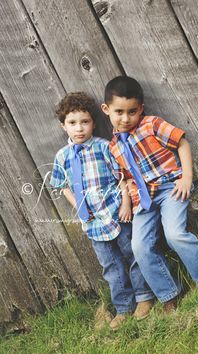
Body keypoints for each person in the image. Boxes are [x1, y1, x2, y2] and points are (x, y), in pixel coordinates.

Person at [101, 76, 198, 312]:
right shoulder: (112, 147)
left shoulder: (151, 124)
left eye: (132, 111)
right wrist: (126, 203)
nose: (126, 118)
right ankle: (169, 293)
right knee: (140, 247)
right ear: (106, 109)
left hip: (169, 189)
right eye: (119, 112)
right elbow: (124, 177)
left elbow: (182, 143)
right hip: (142, 202)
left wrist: (186, 177)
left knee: (175, 234)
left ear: (141, 109)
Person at [50, 92, 154, 330]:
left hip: (118, 213)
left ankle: (144, 297)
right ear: (63, 126)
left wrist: (126, 203)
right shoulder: (62, 156)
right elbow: (61, 185)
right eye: (72, 123)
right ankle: (124, 307)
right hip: (93, 222)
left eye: (85, 122)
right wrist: (79, 206)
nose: (79, 128)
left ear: (93, 123)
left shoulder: (104, 147)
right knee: (111, 265)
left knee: (132, 254)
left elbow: (123, 176)